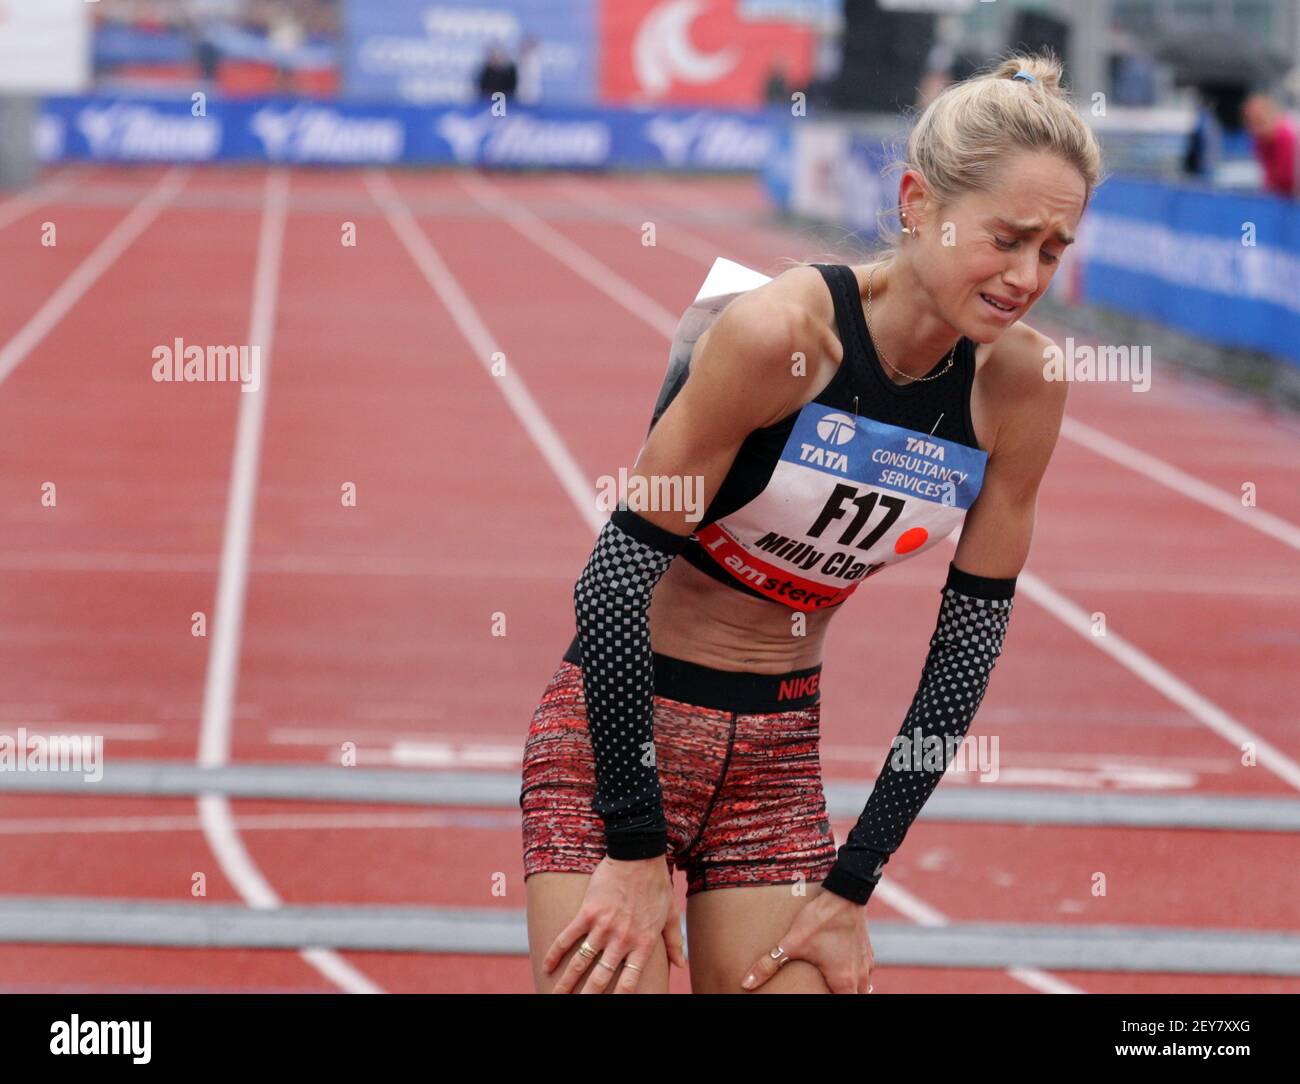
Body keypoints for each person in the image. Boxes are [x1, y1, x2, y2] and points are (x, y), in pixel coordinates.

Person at [520, 51, 1103, 994]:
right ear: (918, 202)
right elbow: (610, 585)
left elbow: (965, 652)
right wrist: (631, 849)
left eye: (1054, 251)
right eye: (1007, 238)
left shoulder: (1021, 386)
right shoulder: (780, 334)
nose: (1026, 275)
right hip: (620, 730)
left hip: (776, 758)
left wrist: (853, 881)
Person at [1242, 92, 1299, 198]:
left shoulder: (1288, 137)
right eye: (1250, 122)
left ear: (1273, 116)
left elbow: (1285, 180)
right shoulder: (1260, 142)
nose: (1255, 129)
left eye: (1260, 121)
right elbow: (1270, 183)